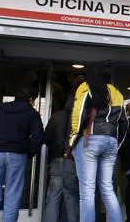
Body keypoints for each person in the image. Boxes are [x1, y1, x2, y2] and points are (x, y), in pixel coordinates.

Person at [68, 64, 128, 222]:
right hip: (111, 141)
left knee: (87, 190)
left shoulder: (87, 87)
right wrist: (117, 143)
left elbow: (78, 113)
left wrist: (73, 138)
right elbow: (124, 123)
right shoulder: (117, 94)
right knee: (108, 188)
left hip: (91, 139)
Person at [0, 88, 45, 222]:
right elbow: (39, 137)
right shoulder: (31, 113)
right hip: (18, 155)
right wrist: (28, 153)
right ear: (30, 99)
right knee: (12, 197)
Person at [43, 77, 84, 222]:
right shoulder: (80, 117)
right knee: (71, 198)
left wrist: (55, 150)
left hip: (56, 160)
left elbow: (46, 138)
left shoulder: (56, 117)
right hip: (71, 161)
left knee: (53, 197)